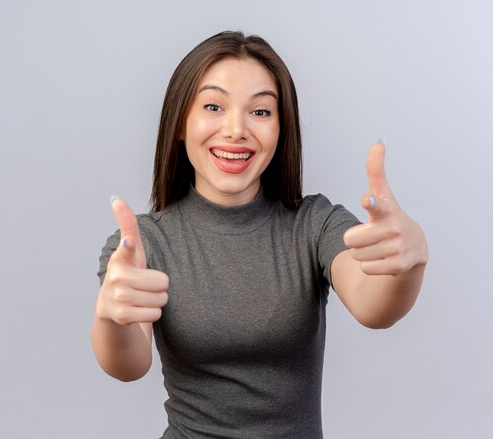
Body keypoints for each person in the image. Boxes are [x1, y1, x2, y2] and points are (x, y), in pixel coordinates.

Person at [92, 30, 428, 438]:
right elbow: (128, 365)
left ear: (281, 129)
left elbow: (375, 307)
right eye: (213, 106)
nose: (236, 130)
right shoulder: (142, 244)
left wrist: (409, 262)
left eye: (261, 112)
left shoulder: (314, 224)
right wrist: (111, 315)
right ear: (180, 123)